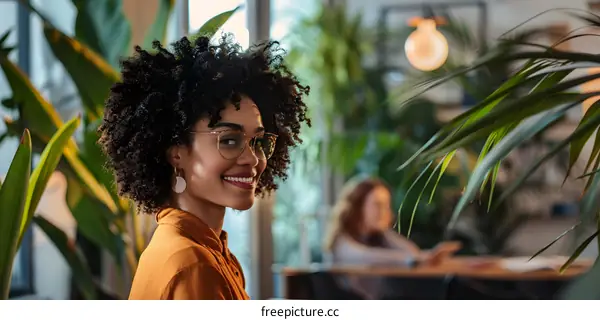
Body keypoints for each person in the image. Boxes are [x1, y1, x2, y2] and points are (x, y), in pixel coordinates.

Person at [98, 34, 310, 300]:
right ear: (176, 153)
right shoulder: (194, 265)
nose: (253, 159)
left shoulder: (201, 250)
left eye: (257, 141)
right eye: (230, 140)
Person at [324, 177, 460, 299]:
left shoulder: (377, 236)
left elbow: (412, 252)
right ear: (358, 207)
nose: (384, 212)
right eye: (378, 205)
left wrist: (385, 231)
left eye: (387, 206)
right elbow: (367, 256)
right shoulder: (341, 242)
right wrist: (413, 259)